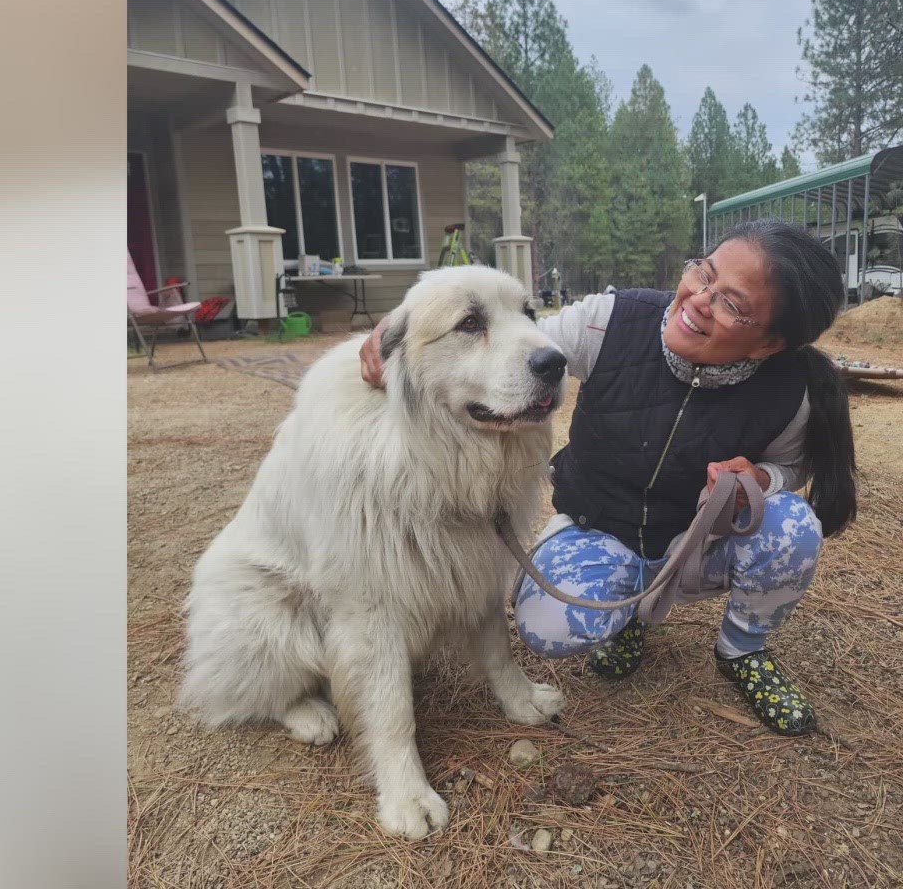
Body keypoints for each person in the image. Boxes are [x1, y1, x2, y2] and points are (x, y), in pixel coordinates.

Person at [360, 219, 856, 735]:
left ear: (768, 344)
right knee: (548, 625)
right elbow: (519, 344)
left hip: (694, 544)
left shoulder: (788, 390)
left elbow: (792, 466)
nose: (699, 300)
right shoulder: (609, 320)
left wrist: (759, 476)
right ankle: (626, 618)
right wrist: (400, 334)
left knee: (792, 526)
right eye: (703, 274)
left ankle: (743, 650)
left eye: (731, 304)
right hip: (601, 532)